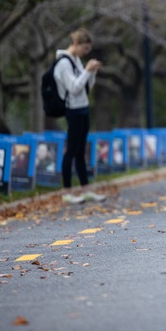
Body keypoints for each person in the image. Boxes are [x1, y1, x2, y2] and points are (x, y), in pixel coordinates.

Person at [54, 28, 105, 204]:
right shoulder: (63, 63)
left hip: (83, 108)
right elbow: (74, 88)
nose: (85, 53)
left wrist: (92, 72)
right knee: (72, 150)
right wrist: (86, 71)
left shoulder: (76, 60)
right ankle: (67, 191)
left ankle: (85, 189)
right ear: (76, 44)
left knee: (81, 150)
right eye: (84, 49)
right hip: (73, 110)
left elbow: (85, 88)